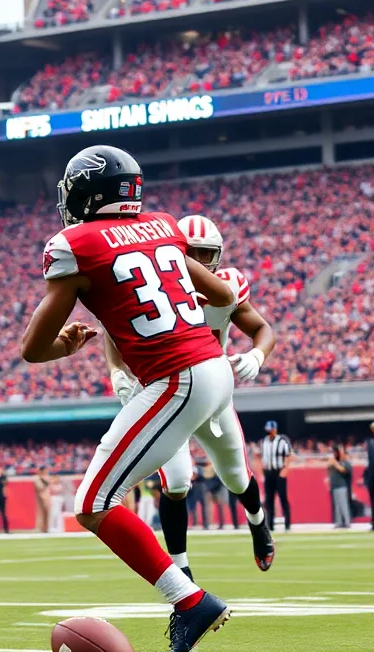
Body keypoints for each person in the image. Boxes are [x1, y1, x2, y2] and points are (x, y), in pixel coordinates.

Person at [20, 145, 272, 652]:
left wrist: (65, 346)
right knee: (150, 485)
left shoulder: (75, 243)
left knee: (93, 501)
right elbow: (223, 291)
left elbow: (31, 349)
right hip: (211, 366)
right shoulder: (163, 224)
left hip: (176, 375)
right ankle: (191, 592)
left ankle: (190, 600)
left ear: (89, 192)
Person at [105, 212, 276, 579]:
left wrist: (257, 355)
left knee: (235, 477)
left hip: (211, 394)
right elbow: (112, 331)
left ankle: (257, 522)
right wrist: (116, 372)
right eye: (190, 253)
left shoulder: (227, 287)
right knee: (178, 481)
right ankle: (182, 570)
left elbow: (261, 327)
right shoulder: (148, 285)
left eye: (205, 254)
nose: (198, 263)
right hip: (165, 392)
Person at [260, 420, 294, 531]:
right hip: (268, 472)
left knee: (283, 498)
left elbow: (289, 455)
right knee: (269, 500)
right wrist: (262, 471)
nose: (269, 431)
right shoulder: (264, 441)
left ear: (275, 429)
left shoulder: (282, 440)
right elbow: (262, 457)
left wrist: (285, 469)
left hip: (279, 471)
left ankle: (287, 524)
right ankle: (270, 525)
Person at [328, 445, 352, 529]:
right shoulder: (335, 461)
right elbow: (328, 468)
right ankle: (338, 523)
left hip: (342, 486)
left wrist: (335, 463)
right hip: (334, 486)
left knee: (343, 505)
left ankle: (347, 522)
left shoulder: (346, 462)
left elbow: (343, 470)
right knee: (337, 506)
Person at [34, 466, 52, 532]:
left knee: (47, 513)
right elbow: (39, 487)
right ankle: (40, 528)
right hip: (40, 496)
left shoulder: (47, 477)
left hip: (47, 496)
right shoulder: (37, 478)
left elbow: (49, 485)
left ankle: (46, 528)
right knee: (41, 513)